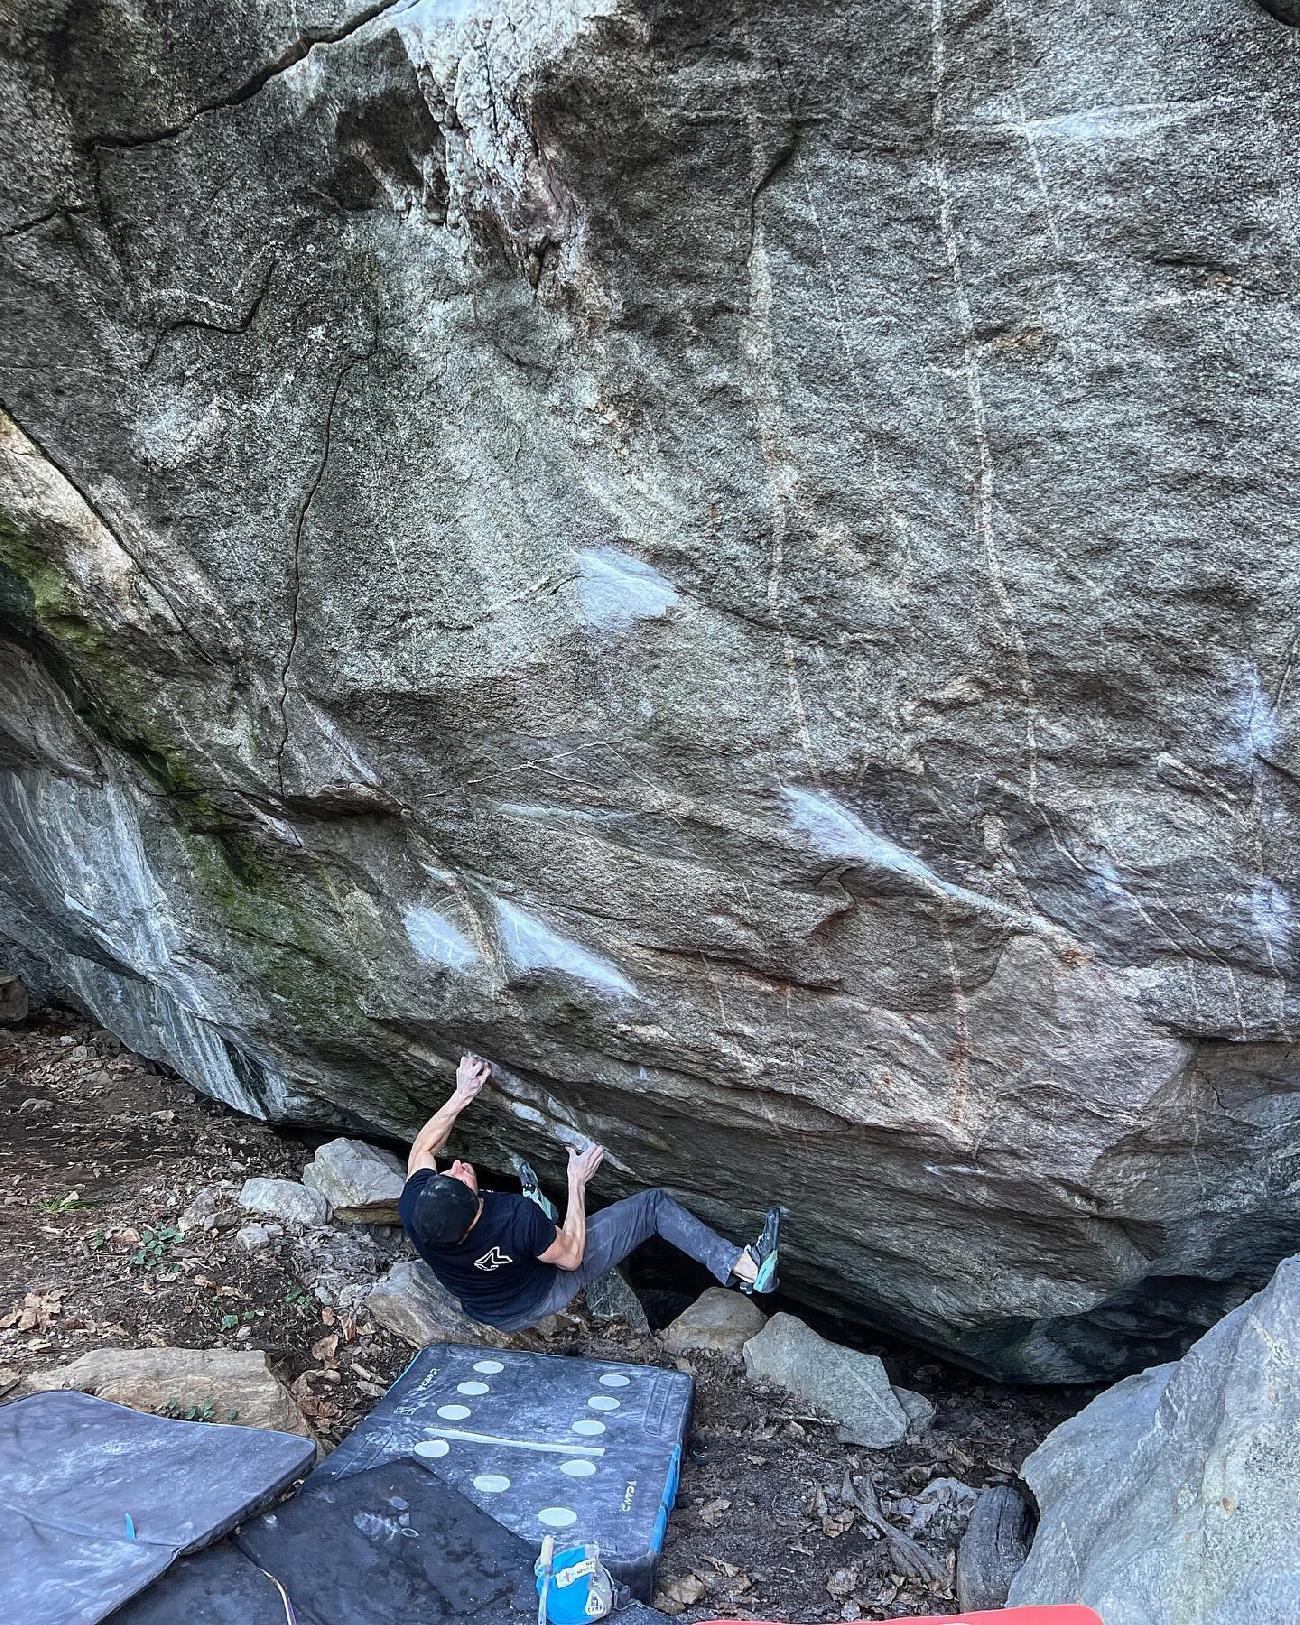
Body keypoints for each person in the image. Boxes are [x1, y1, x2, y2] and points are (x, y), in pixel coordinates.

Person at [398, 1054, 782, 1335]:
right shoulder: (512, 1217)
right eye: (461, 1178)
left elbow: (422, 1151)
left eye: (447, 1173)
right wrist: (576, 1182)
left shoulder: (420, 1213)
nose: (458, 1165)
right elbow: (571, 1257)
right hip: (539, 1295)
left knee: (528, 1228)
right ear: (474, 1211)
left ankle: (542, 1220)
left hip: (486, 1305)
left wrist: (462, 1093)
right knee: (652, 1207)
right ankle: (745, 1267)